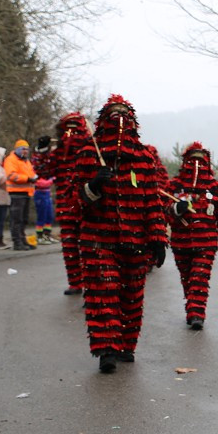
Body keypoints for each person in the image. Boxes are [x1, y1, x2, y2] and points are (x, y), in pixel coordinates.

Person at [74, 94, 169, 373]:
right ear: (103, 122)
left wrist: (158, 239)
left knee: (131, 296)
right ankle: (106, 349)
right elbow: (75, 201)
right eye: (114, 116)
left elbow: (152, 202)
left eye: (125, 116)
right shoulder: (88, 154)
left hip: (136, 243)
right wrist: (93, 186)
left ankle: (127, 344)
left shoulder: (143, 157)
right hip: (98, 241)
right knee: (103, 293)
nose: (120, 122)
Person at [166, 142, 218, 330]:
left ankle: (196, 313)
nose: (196, 164)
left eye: (200, 159)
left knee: (200, 278)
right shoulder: (175, 185)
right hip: (181, 242)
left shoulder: (213, 187)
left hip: (206, 243)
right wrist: (175, 208)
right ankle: (192, 306)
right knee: (187, 278)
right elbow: (162, 211)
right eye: (192, 159)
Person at [45, 113, 92, 295]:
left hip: (86, 206)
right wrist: (42, 151)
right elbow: (43, 172)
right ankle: (75, 283)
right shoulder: (58, 153)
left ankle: (91, 286)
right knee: (70, 245)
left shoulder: (89, 149)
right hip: (66, 207)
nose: (71, 134)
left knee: (89, 248)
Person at [4, 140, 38, 251]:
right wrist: (28, 179)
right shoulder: (10, 160)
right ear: (17, 149)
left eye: (27, 149)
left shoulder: (26, 161)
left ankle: (22, 240)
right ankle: (17, 242)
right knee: (17, 219)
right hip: (16, 194)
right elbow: (11, 175)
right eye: (23, 149)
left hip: (26, 193)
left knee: (23, 219)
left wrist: (34, 178)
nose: (25, 151)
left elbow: (31, 173)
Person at [31, 136, 57, 245]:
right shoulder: (37, 158)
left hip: (47, 191)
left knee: (49, 215)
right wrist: (49, 180)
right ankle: (40, 236)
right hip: (39, 191)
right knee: (41, 215)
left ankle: (47, 234)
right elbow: (37, 172)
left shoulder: (47, 156)